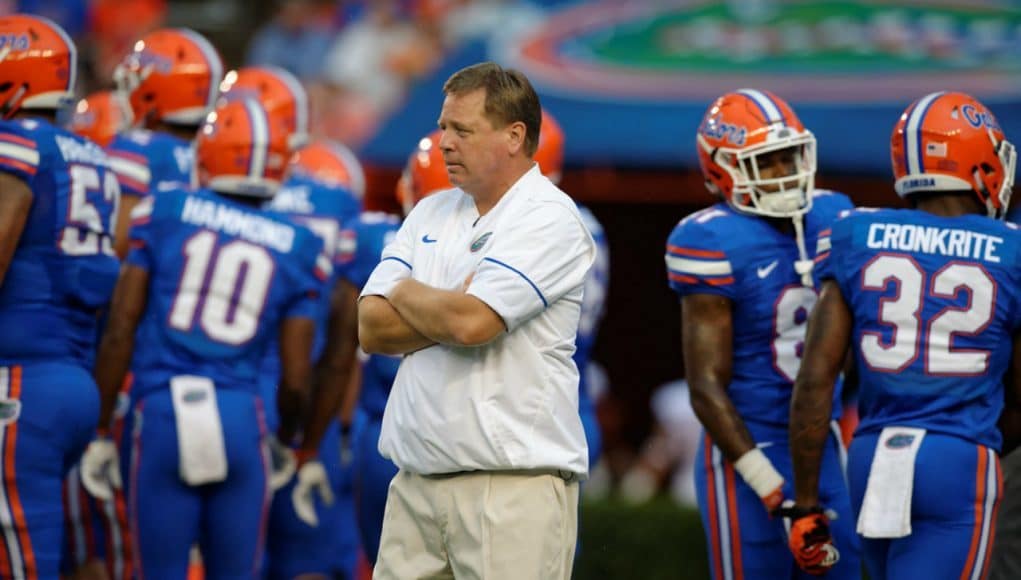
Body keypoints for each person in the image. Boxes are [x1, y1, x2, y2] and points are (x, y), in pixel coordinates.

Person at [357, 61, 595, 580]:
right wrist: (437, 302)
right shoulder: (430, 210)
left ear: (514, 136)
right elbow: (371, 328)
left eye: (461, 130)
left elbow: (472, 325)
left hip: (510, 487)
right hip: (415, 481)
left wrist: (405, 292)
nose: (443, 143)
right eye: (444, 127)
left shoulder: (549, 217)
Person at [80, 99, 330, 578]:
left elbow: (120, 327)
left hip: (162, 414)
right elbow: (297, 378)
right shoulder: (300, 244)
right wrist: (287, 440)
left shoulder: (167, 208)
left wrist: (98, 430)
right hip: (241, 419)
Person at [788, 91, 1019, 578]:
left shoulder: (857, 233)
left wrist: (805, 503)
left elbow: (814, 380)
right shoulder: (1010, 248)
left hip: (873, 455)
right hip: (958, 456)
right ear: (979, 163)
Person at [665, 88, 861, 579]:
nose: (784, 173)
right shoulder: (708, 238)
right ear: (722, 169)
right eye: (767, 162)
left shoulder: (834, 215)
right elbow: (705, 387)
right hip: (747, 453)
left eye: (789, 156)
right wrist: (769, 486)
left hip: (825, 446)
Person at [0, 14, 121, 579]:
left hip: (19, 381)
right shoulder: (92, 156)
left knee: (21, 558)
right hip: (73, 381)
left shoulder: (18, 146)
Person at [106, 27, 223, 258]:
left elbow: (117, 248)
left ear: (154, 93)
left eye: (135, 83)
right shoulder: (217, 159)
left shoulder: (138, 148)